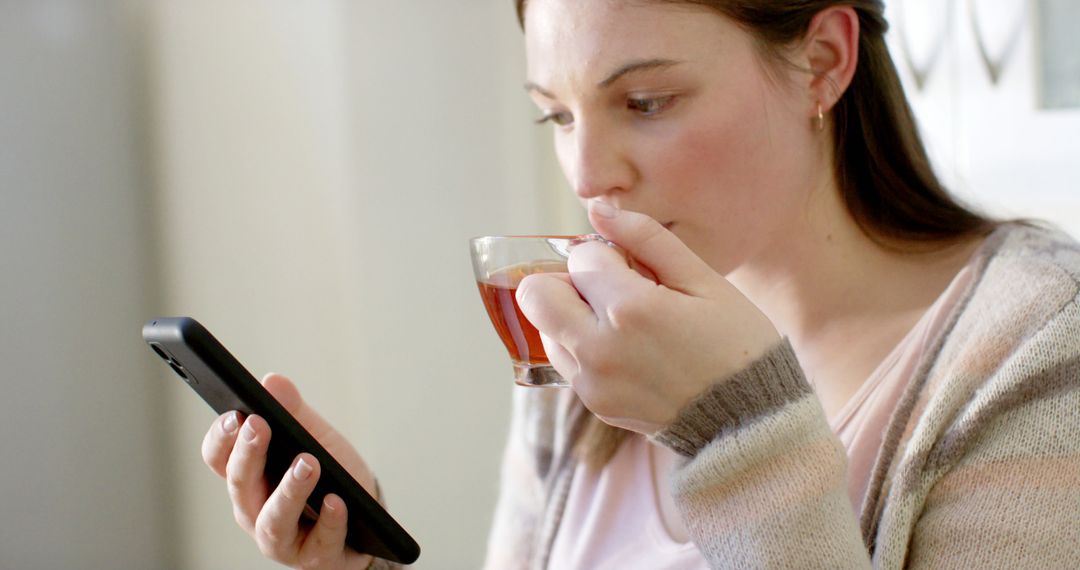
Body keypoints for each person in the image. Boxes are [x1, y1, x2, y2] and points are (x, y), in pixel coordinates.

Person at [201, 0, 1080, 568]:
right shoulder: (585, 348)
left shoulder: (1039, 351)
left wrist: (737, 430)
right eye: (555, 113)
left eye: (646, 102)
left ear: (822, 60)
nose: (587, 175)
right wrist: (362, 563)